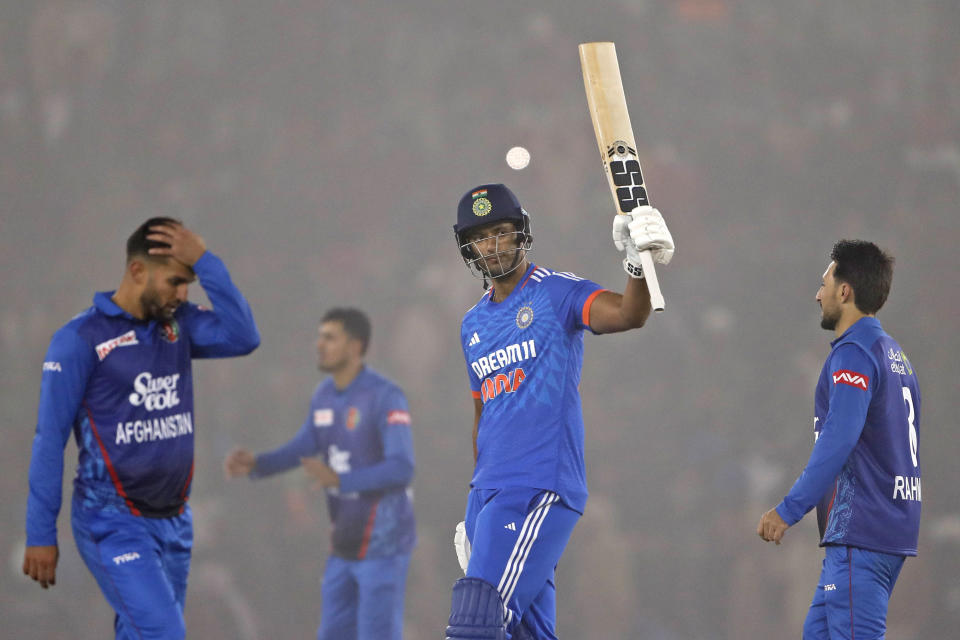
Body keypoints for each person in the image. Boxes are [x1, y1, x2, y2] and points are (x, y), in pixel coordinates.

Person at [444, 183, 675, 640]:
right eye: (479, 238)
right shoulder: (472, 323)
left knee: (476, 625)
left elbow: (630, 314)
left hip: (538, 487)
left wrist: (638, 265)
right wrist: (478, 501)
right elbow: (483, 416)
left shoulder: (555, 292)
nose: (491, 247)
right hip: (489, 495)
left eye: (501, 232)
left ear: (522, 233)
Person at [23, 218, 260, 639]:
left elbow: (244, 337)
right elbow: (49, 441)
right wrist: (41, 533)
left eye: (189, 283)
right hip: (112, 520)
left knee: (139, 633)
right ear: (136, 271)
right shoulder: (80, 340)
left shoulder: (179, 324)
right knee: (164, 634)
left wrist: (205, 262)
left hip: (175, 519)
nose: (183, 294)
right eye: (174, 281)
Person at [757, 240, 921, 639]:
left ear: (844, 291)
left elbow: (838, 438)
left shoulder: (854, 354)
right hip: (886, 528)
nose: (818, 294)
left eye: (824, 283)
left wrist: (788, 509)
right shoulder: (894, 354)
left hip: (861, 531)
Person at [224, 308, 415, 640]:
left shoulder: (385, 396)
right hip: (342, 543)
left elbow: (402, 468)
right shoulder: (323, 396)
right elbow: (304, 445)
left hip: (381, 542)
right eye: (319, 337)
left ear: (356, 347)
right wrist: (259, 464)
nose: (320, 345)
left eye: (330, 338)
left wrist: (342, 481)